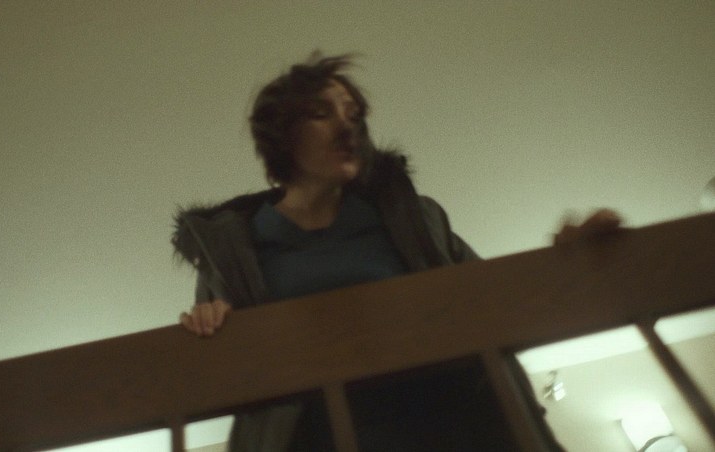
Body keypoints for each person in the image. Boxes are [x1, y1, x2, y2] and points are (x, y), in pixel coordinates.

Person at [172, 53, 620, 451]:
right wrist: (212, 326)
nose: (346, 125)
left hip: (444, 427)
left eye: (353, 114)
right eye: (322, 114)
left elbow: (488, 301)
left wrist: (565, 262)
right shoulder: (233, 252)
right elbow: (221, 374)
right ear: (282, 137)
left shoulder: (412, 220)